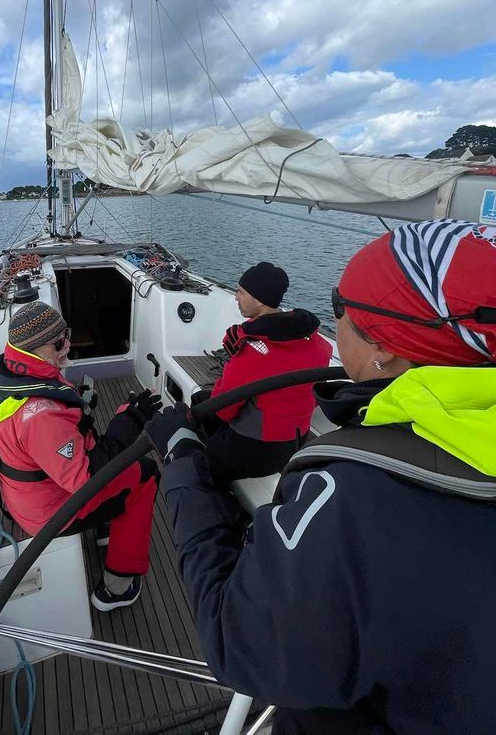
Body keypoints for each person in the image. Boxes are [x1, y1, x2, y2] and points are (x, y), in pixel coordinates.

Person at [145, 219, 496, 734]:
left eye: (342, 311)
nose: (335, 327)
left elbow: (235, 641)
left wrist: (179, 458)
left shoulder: (352, 494)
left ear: (386, 347)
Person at [0, 300, 161, 611]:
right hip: (47, 512)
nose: (68, 343)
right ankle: (117, 586)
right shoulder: (39, 415)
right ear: (35, 350)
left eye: (65, 334)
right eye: (58, 342)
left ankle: (107, 525)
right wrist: (130, 421)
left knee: (119, 465)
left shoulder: (14, 378)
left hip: (27, 494)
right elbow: (86, 479)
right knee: (146, 474)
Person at [204, 261, 332, 486]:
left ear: (259, 299)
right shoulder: (320, 345)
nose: (236, 297)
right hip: (296, 440)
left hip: (257, 449)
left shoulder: (253, 351)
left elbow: (222, 409)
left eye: (241, 292)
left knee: (196, 462)